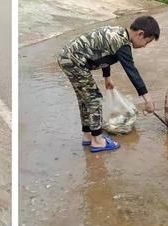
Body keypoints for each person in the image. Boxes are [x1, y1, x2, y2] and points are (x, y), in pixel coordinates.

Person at [58, 16, 159, 153]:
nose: (144, 46)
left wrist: (107, 77)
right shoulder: (122, 45)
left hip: (67, 57)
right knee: (94, 99)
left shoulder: (117, 32)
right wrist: (148, 99)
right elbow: (132, 71)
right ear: (140, 34)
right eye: (146, 42)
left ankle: (88, 136)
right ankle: (98, 141)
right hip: (75, 60)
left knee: (84, 98)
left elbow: (102, 52)